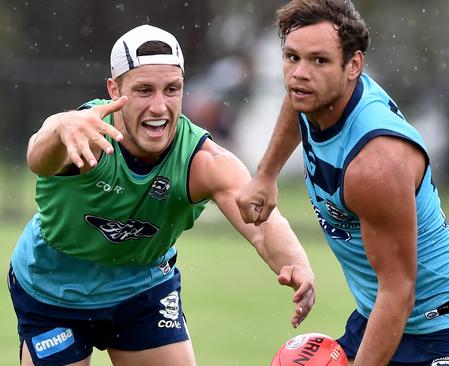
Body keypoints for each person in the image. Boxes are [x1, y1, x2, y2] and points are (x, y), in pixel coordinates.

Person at [9, 24, 315, 366]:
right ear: (114, 89)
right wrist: (60, 126)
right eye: (144, 90)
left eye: (172, 89)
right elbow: (38, 156)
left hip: (142, 288)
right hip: (54, 289)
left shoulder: (201, 161)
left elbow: (259, 219)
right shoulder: (85, 133)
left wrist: (298, 265)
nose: (159, 106)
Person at [236, 1, 449, 365]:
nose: (300, 74)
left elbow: (399, 292)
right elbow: (294, 99)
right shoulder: (313, 93)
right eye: (292, 57)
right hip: (379, 317)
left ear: (354, 66)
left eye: (319, 60)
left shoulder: (375, 165)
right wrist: (266, 175)